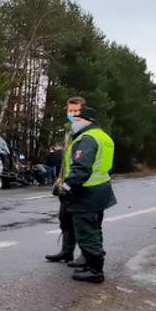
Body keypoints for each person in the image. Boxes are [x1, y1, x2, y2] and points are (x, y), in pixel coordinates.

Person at [57, 104, 117, 283]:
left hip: (87, 193)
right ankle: (91, 264)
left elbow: (81, 168)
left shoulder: (87, 139)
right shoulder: (104, 137)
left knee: (86, 232)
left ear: (88, 121)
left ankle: (95, 270)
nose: (74, 123)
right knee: (94, 229)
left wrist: (67, 188)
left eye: (77, 120)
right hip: (101, 190)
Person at [46, 98, 84, 267]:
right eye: (70, 111)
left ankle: (86, 255)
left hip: (82, 183)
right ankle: (67, 251)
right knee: (65, 218)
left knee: (82, 222)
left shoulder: (86, 132)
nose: (73, 114)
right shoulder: (69, 131)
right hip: (68, 181)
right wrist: (61, 177)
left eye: (76, 111)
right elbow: (66, 158)